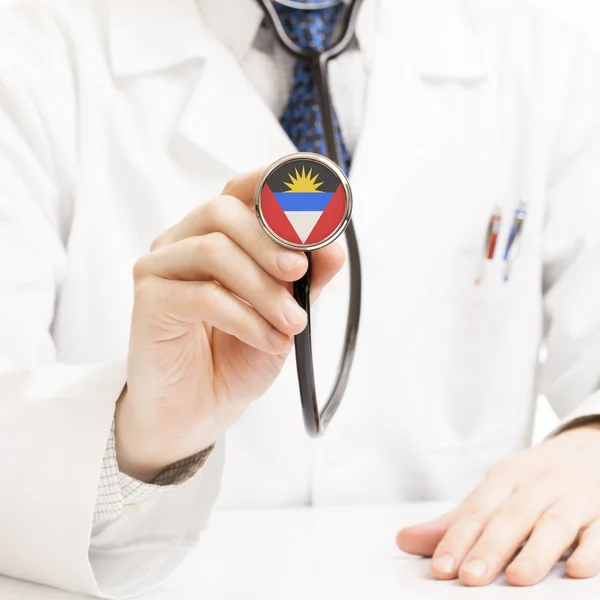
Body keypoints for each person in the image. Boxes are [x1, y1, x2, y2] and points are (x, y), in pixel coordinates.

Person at [1, 0, 600, 596]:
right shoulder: (30, 56)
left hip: (460, 578)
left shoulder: (550, 61)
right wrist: (144, 442)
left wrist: (591, 441)